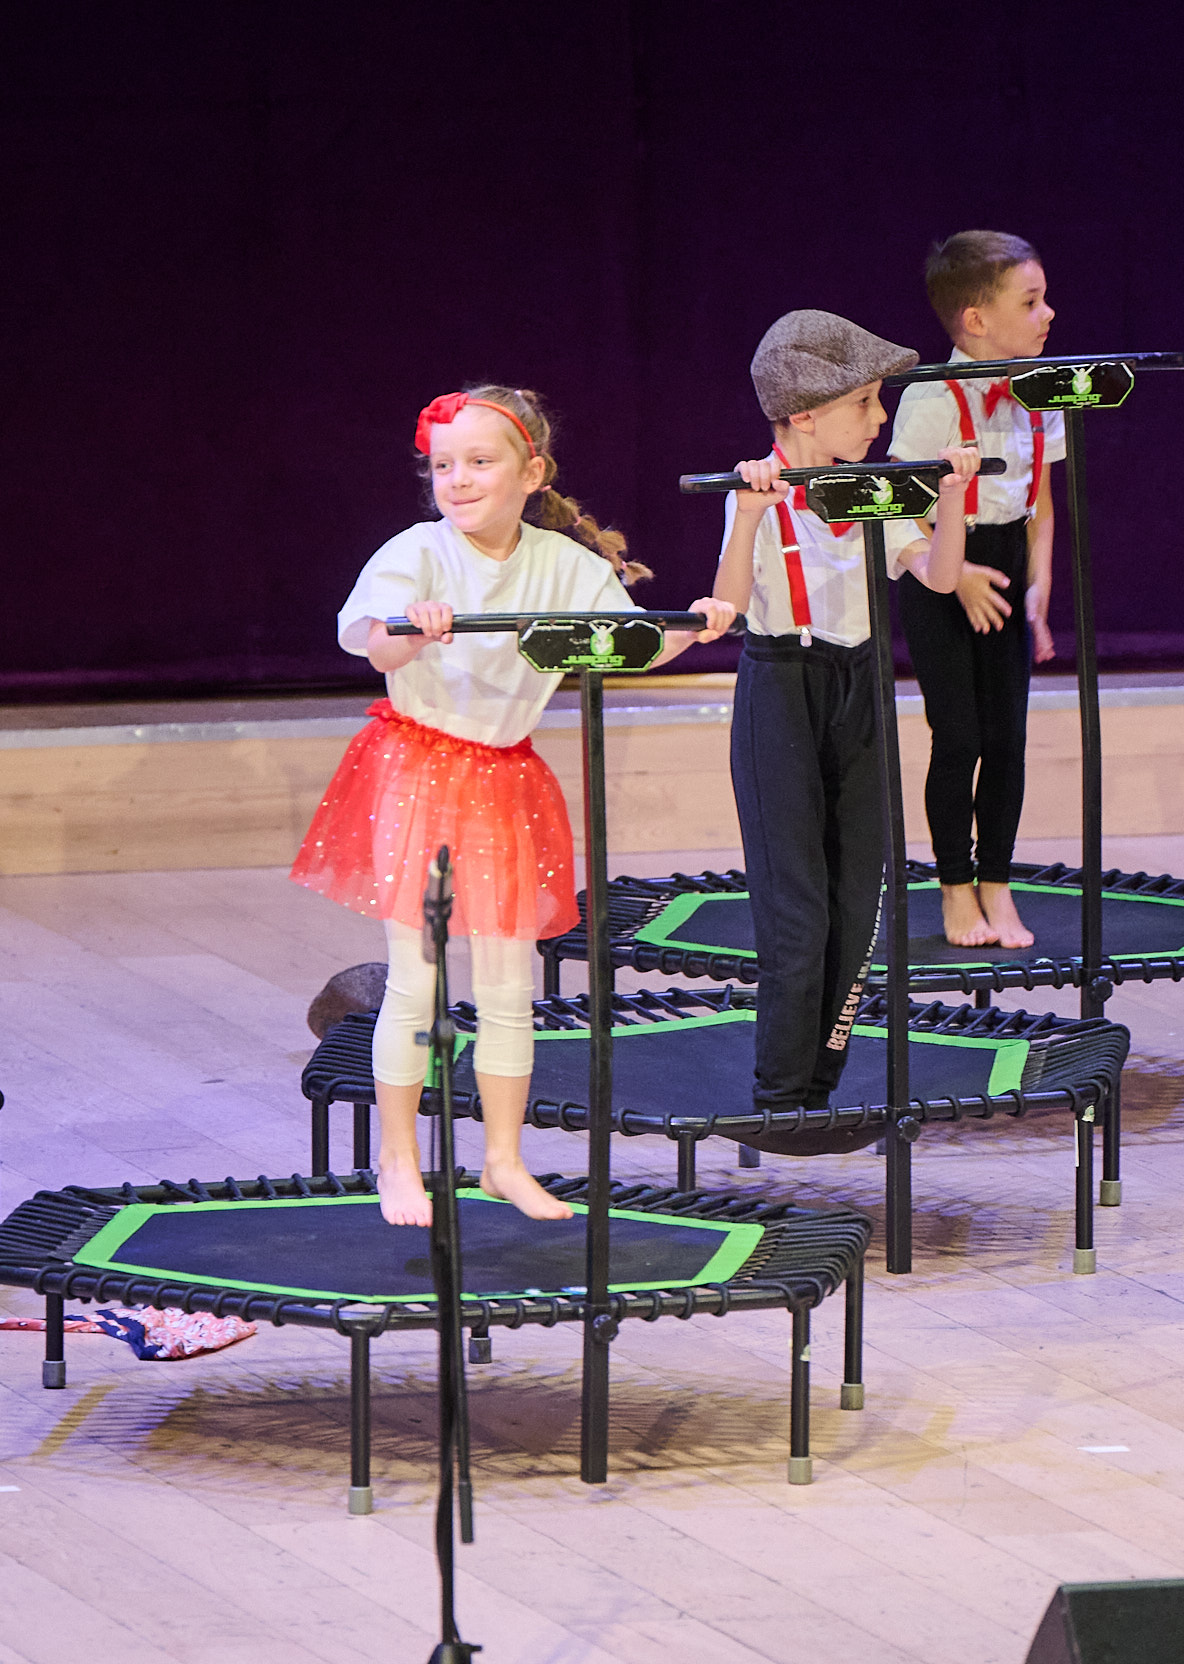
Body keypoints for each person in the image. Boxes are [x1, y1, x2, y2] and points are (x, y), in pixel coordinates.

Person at [291, 386, 731, 1226]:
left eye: (480, 462)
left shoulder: (564, 565)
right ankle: (398, 1159)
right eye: (443, 465)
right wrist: (411, 628)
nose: (457, 480)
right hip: (417, 772)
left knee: (505, 983)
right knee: (418, 977)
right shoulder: (417, 551)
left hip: (503, 780)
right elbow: (373, 643)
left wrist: (693, 628)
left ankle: (502, 1159)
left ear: (532, 473)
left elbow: (628, 644)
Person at [709, 310, 979, 1134]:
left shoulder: (872, 493)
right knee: (800, 909)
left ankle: (819, 1088)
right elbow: (725, 606)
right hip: (782, 690)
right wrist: (748, 514)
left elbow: (940, 577)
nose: (879, 417)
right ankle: (779, 1096)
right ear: (803, 414)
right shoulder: (759, 494)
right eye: (863, 402)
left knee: (859, 900)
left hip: (859, 689)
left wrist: (951, 498)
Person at [887, 231, 1064, 948]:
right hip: (941, 568)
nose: (1048, 314)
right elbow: (902, 505)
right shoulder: (932, 397)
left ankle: (998, 881)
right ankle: (955, 888)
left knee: (1007, 737)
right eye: (1031, 301)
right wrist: (953, 575)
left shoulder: (1043, 392)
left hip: (1006, 562)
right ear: (976, 319)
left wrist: (1039, 583)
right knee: (957, 736)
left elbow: (1039, 502)